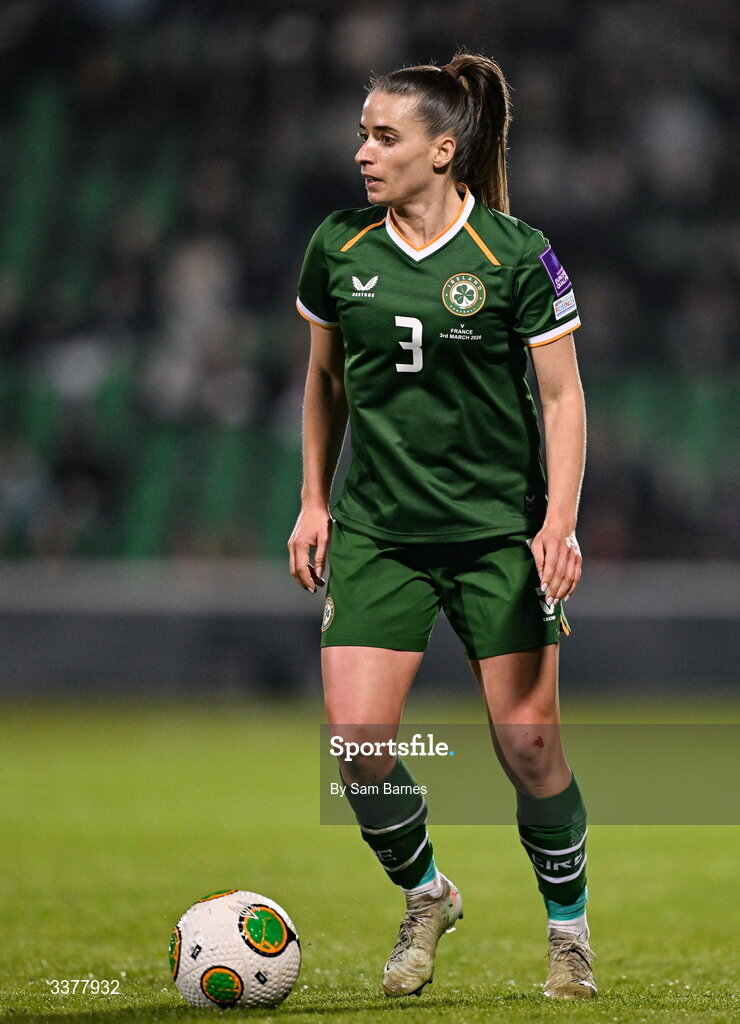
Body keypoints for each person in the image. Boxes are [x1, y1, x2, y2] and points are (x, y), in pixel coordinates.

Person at [289, 52, 595, 1000]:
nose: (362, 154)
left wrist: (559, 523)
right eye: (363, 134)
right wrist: (311, 499)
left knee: (529, 745)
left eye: (384, 137)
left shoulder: (514, 251)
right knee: (357, 746)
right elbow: (326, 382)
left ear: (444, 148)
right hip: (379, 531)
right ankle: (427, 893)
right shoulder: (338, 246)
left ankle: (569, 934)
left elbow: (563, 396)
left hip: (498, 534)